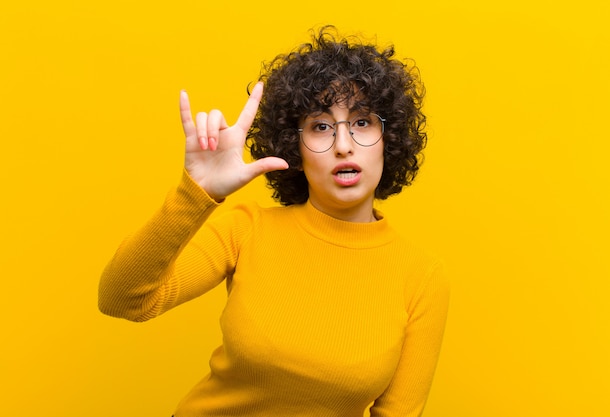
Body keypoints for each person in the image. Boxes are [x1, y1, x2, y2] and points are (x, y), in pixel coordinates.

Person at [99, 26, 450, 417]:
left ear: (392, 138)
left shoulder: (422, 278)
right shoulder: (245, 229)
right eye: (320, 126)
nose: (344, 144)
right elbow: (122, 299)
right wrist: (194, 193)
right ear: (293, 146)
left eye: (362, 122)